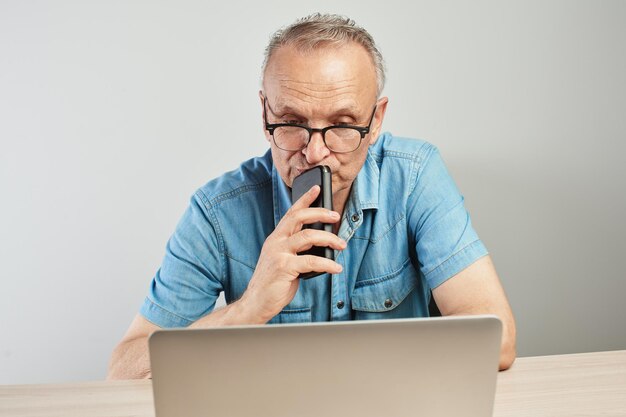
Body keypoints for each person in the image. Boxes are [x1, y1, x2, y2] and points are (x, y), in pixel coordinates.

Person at [108, 13, 516, 379]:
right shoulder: (216, 212)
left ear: (376, 121)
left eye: (342, 124)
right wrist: (248, 309)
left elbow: (496, 340)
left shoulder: (414, 176)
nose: (314, 153)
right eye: (291, 122)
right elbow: (124, 370)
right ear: (265, 113)